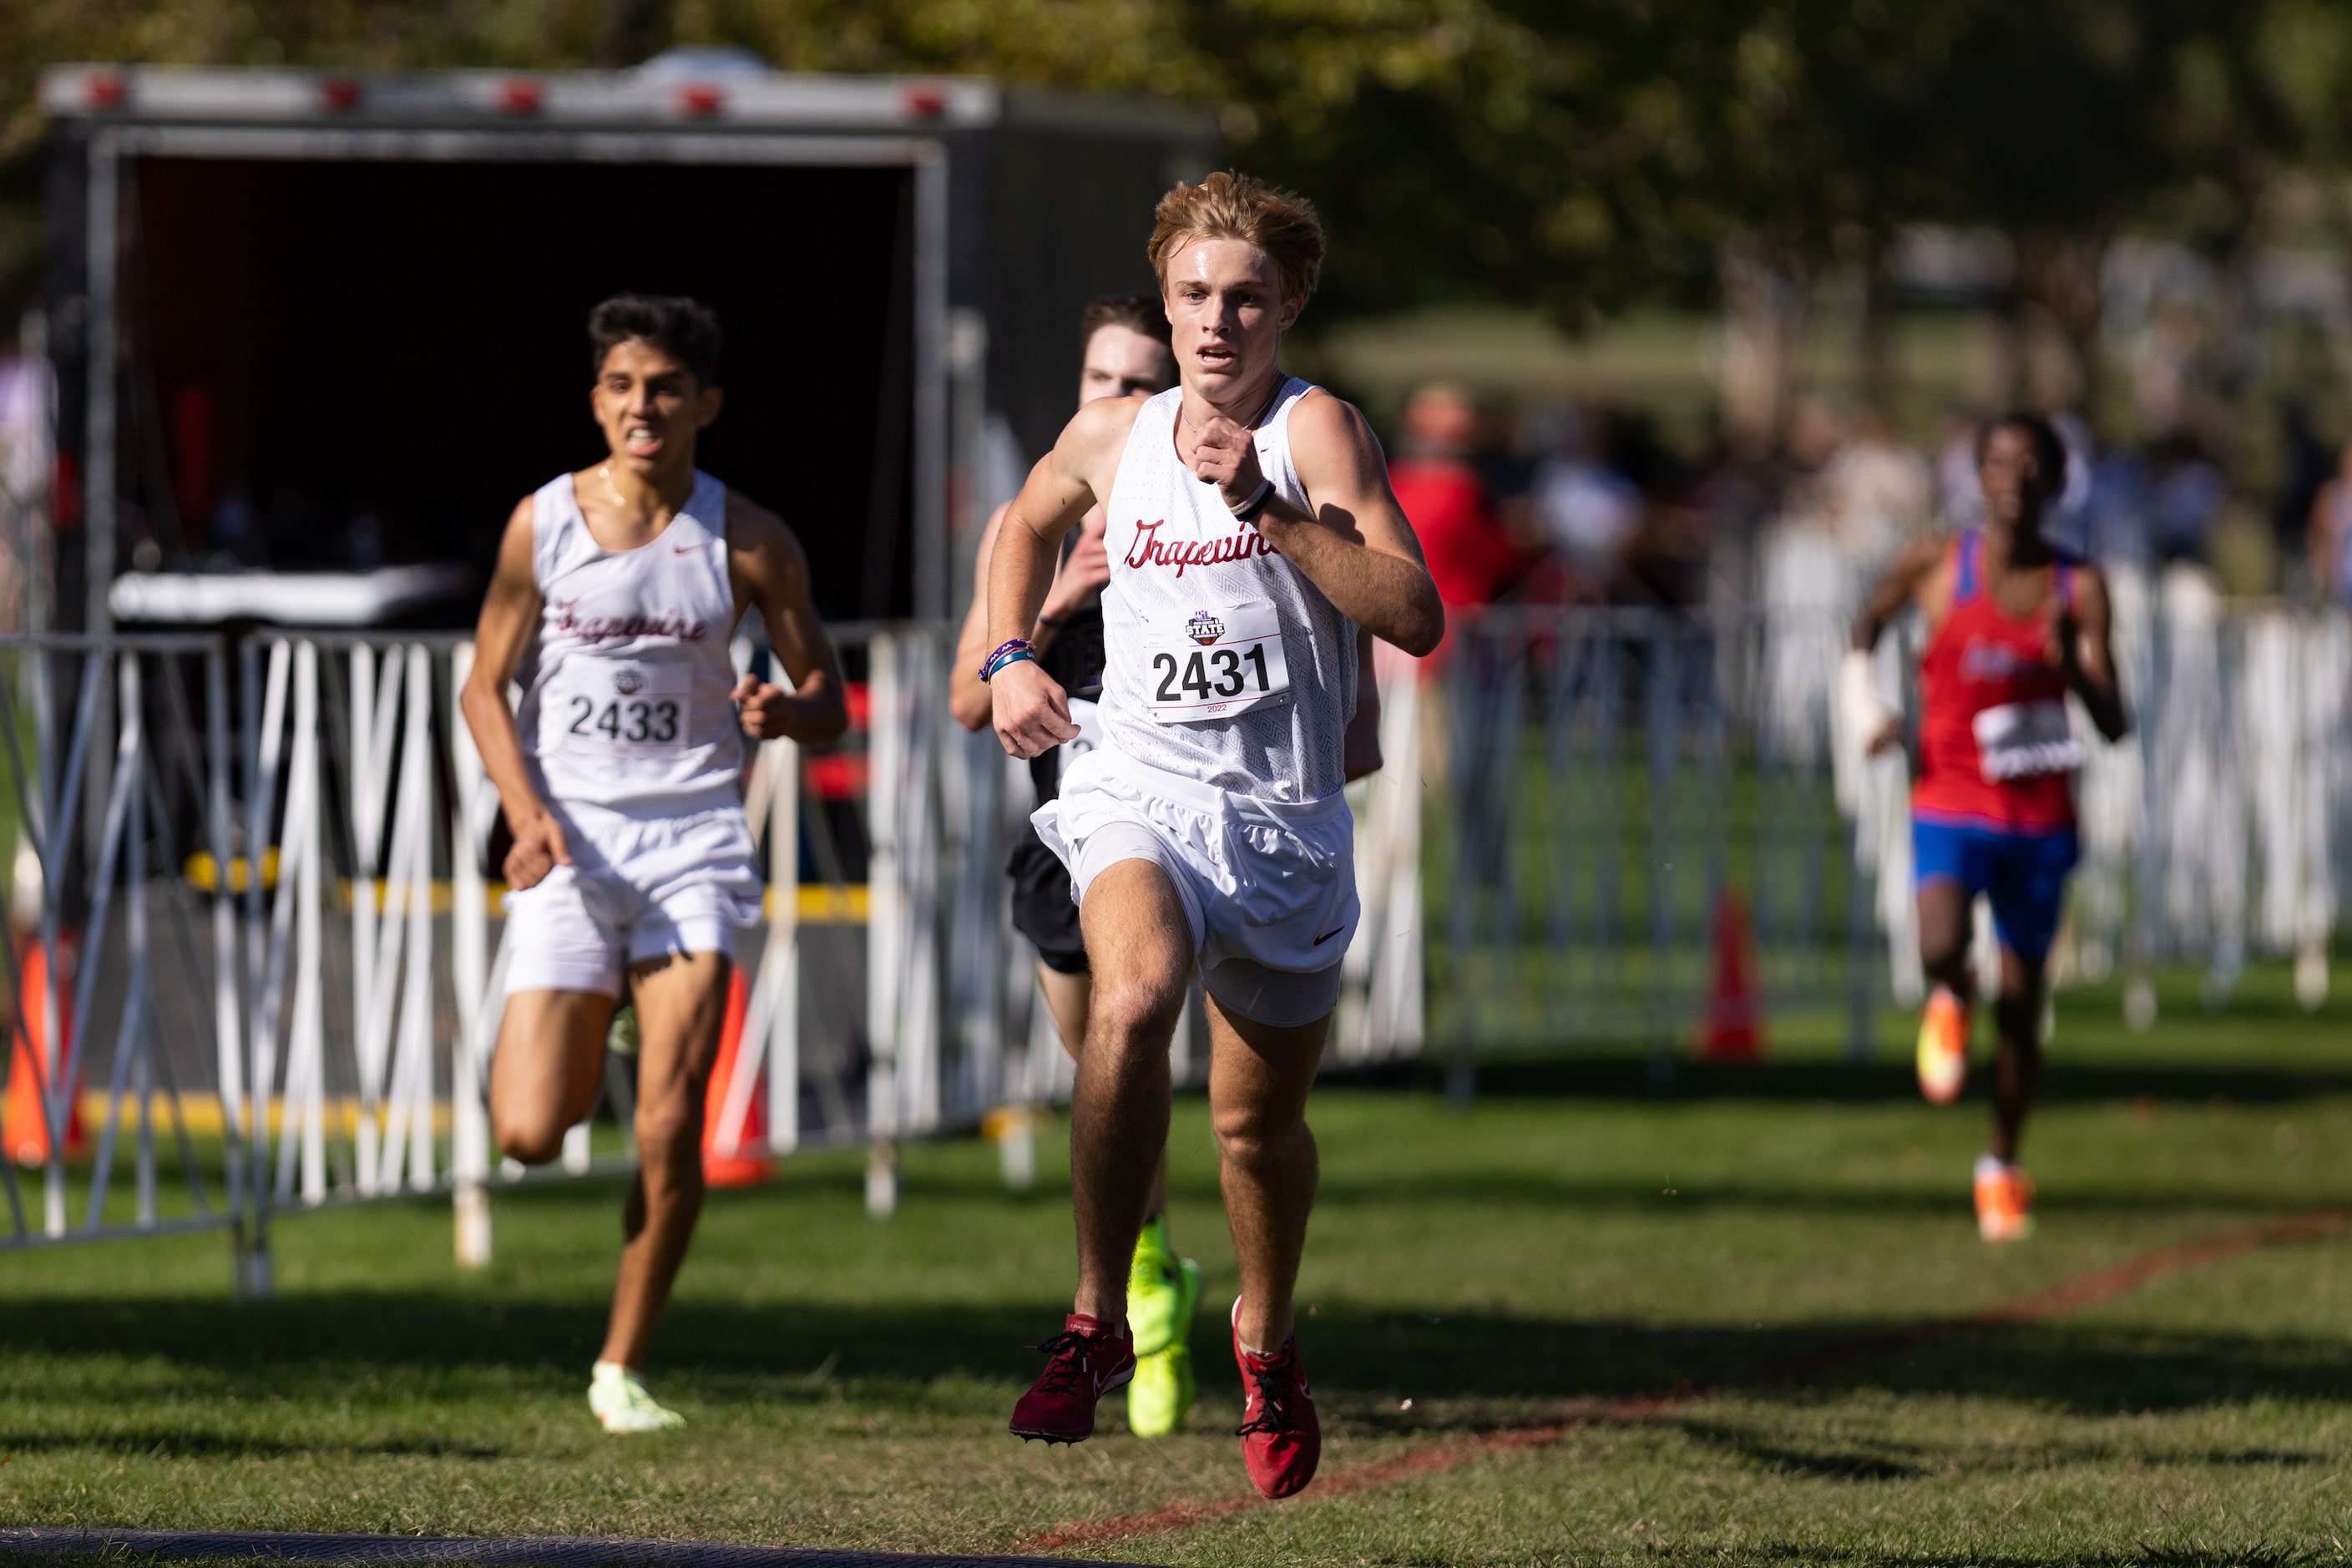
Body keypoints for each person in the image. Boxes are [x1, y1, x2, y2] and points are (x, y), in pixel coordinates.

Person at [984, 170, 1442, 1499]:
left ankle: (1267, 1335)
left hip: (1281, 823)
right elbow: (1023, 522)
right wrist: (1013, 652)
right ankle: (1092, 1322)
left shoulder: (1317, 433)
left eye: (1245, 298)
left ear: (1289, 304)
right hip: (1141, 782)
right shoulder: (1109, 434)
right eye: (1192, 295)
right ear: (1167, 302)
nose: (1215, 322)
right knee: (1129, 999)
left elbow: (1413, 612)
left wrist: (1269, 513)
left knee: (1254, 1132)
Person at [460, 295, 847, 1431]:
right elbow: (483, 685)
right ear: (598, 400)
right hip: (571, 840)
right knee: (532, 1131)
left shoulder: (749, 539)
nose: (644, 406)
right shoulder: (542, 524)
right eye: (623, 386)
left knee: (672, 1124)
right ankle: (605, 1012)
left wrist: (788, 711)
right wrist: (524, 815)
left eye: (667, 388)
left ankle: (619, 1365)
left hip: (692, 844)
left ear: (705, 405)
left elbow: (824, 699)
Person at [1846, 412, 2127, 1243]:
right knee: (1936, 939)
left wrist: (2072, 661)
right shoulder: (1937, 562)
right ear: (1978, 473)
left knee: (2024, 1001)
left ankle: (2000, 1163)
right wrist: (1869, 701)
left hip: (2039, 816)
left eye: (2032, 464)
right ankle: (1947, 991)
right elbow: (1865, 624)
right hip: (1950, 796)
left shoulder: (2080, 587)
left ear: (2056, 479)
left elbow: (2116, 721)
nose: (2015, 478)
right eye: (2000, 462)